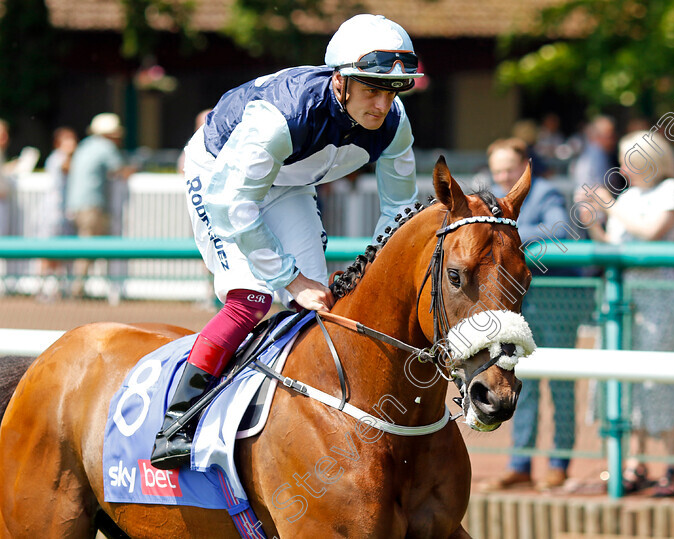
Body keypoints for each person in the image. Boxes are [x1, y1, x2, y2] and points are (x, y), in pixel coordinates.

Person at [151, 13, 424, 469]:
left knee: (316, 309)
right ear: (340, 82)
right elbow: (233, 204)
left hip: (289, 182)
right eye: (372, 90)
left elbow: (400, 211)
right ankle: (178, 421)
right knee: (253, 296)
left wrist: (374, 274)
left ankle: (301, 416)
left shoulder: (394, 123)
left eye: (393, 91)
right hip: (222, 179)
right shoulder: (281, 117)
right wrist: (289, 278)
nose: (382, 105)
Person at [585, 131, 674, 497]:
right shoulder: (627, 197)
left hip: (659, 296)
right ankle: (635, 462)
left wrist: (609, 207)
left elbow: (654, 234)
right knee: (629, 382)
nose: (625, 166)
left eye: (631, 158)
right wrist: (592, 222)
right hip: (624, 294)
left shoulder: (668, 190)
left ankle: (671, 464)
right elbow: (616, 246)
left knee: (663, 378)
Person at [477, 138, 579, 492]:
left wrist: (506, 237)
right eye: (497, 169)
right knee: (520, 381)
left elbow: (560, 230)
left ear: (524, 167)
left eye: (509, 167)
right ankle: (520, 463)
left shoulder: (545, 192)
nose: (503, 175)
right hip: (516, 308)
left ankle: (559, 464)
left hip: (555, 303)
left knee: (562, 386)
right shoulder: (488, 197)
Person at [65, 113, 134, 298]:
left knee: (85, 246)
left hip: (75, 204)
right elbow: (120, 169)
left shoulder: (85, 145)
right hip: (92, 205)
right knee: (91, 247)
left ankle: (80, 288)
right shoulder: (105, 147)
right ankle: (78, 290)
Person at [37, 127, 78, 301]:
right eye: (67, 140)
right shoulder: (57, 159)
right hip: (53, 213)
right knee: (48, 252)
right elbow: (67, 167)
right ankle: (42, 288)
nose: (71, 143)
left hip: (64, 214)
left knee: (61, 253)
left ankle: (56, 288)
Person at [570, 115, 618, 191]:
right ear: (598, 136)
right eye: (609, 136)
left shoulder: (592, 152)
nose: (613, 139)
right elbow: (602, 186)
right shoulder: (597, 154)